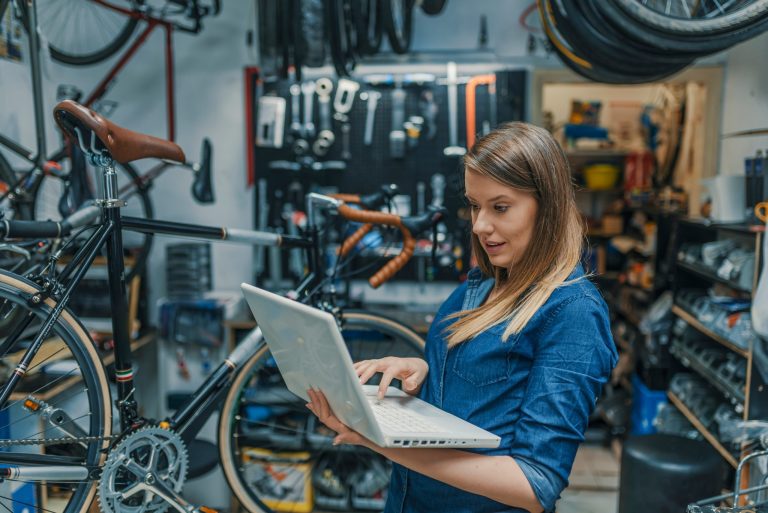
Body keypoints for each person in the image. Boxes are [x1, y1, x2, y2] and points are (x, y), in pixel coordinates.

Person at [306, 122, 618, 513]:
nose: (479, 225)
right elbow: (477, 396)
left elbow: (534, 483)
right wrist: (418, 373)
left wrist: (377, 439)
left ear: (548, 208)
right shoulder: (479, 287)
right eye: (474, 205)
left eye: (500, 207)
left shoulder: (572, 313)